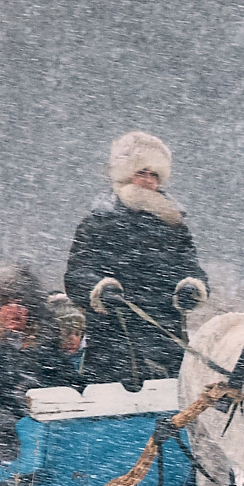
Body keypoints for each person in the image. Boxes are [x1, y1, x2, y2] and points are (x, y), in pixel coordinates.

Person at [63, 130, 207, 389]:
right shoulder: (97, 222)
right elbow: (77, 274)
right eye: (142, 172)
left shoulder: (174, 227)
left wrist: (192, 287)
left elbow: (192, 268)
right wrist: (100, 290)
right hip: (113, 341)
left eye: (154, 175)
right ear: (125, 173)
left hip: (165, 338)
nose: (148, 181)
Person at [0, 265, 75, 483]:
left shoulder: (46, 345)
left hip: (44, 429)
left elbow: (65, 382)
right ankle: (7, 479)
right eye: (7, 303)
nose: (15, 310)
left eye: (22, 304)